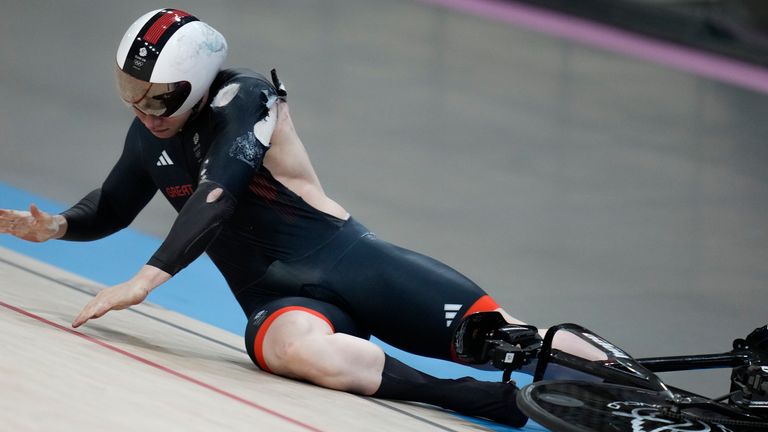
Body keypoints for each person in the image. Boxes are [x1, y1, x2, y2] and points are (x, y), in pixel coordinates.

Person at [0, 9, 601, 428]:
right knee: (295, 352)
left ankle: (640, 385)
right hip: (278, 301)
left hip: (353, 264)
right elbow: (109, 206)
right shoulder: (147, 134)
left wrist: (144, 279)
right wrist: (54, 227)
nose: (143, 108)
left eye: (158, 96)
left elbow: (219, 194)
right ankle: (477, 401)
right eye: (131, 90)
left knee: (506, 338)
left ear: (198, 83)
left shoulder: (247, 100)